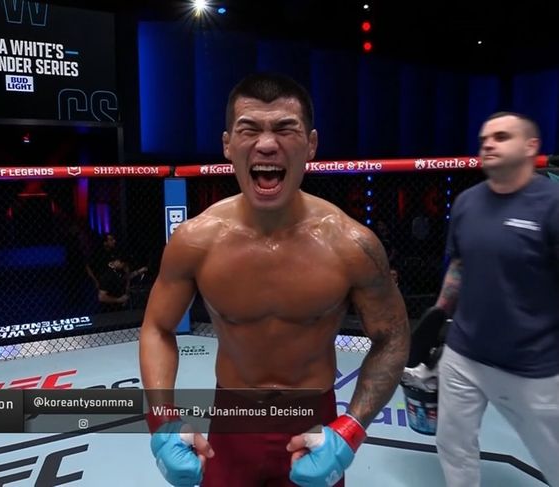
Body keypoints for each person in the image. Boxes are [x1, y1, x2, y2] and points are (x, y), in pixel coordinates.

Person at [139, 72, 410, 486]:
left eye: (286, 129)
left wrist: (351, 430)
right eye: (249, 129)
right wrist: (161, 422)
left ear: (311, 145)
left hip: (313, 423)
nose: (267, 144)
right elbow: (158, 327)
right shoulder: (195, 241)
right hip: (232, 422)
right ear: (227, 145)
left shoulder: (351, 245)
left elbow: (392, 335)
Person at [422, 112, 559, 487]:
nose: (488, 144)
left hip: (531, 364)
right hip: (464, 353)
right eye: (484, 139)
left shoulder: (552, 204)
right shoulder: (466, 202)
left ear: (530, 147)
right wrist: (438, 315)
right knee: (452, 444)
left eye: (501, 137)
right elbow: (459, 265)